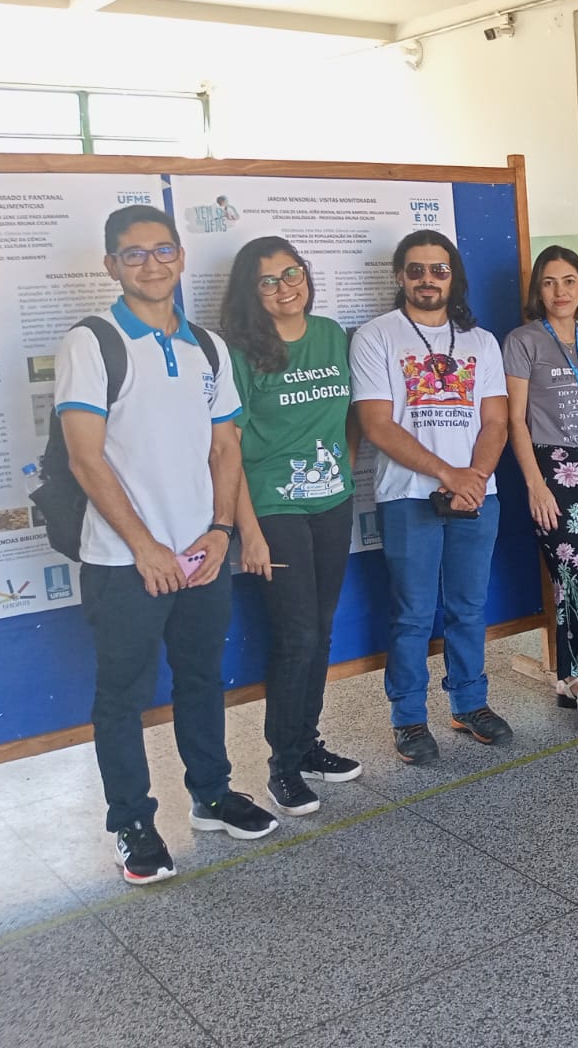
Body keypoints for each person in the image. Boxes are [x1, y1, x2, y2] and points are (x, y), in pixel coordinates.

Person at [56, 204, 276, 885]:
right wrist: (145, 546)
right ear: (111, 265)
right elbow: (85, 458)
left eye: (162, 250)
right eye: (134, 253)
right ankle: (132, 823)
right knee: (122, 696)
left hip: (201, 553)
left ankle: (211, 794)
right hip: (125, 562)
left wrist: (220, 530)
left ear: (180, 256)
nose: (151, 264)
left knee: (202, 678)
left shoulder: (207, 346)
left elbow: (224, 447)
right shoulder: (92, 342)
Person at [350, 230, 512, 764]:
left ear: (452, 277)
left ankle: (470, 704)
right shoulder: (376, 336)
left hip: (477, 496)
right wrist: (450, 474)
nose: (427, 279)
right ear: (400, 276)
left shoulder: (481, 342)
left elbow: (496, 420)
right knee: (413, 614)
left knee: (469, 608)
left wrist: (475, 477)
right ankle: (409, 718)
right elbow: (377, 424)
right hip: (408, 496)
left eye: (438, 270)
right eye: (416, 269)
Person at [221, 236, 362, 817]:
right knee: (296, 634)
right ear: (250, 292)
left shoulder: (330, 335)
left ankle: (307, 745)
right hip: (271, 506)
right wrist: (247, 532)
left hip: (333, 501)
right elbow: (226, 448)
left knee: (321, 630)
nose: (284, 287)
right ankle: (282, 765)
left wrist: (344, 470)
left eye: (292, 273)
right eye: (268, 280)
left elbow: (350, 415)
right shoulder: (239, 351)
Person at [504, 246, 578, 737]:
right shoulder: (523, 341)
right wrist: (536, 484)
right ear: (539, 289)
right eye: (550, 282)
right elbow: (514, 419)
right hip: (554, 472)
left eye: (569, 280)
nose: (561, 291)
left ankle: (572, 676)